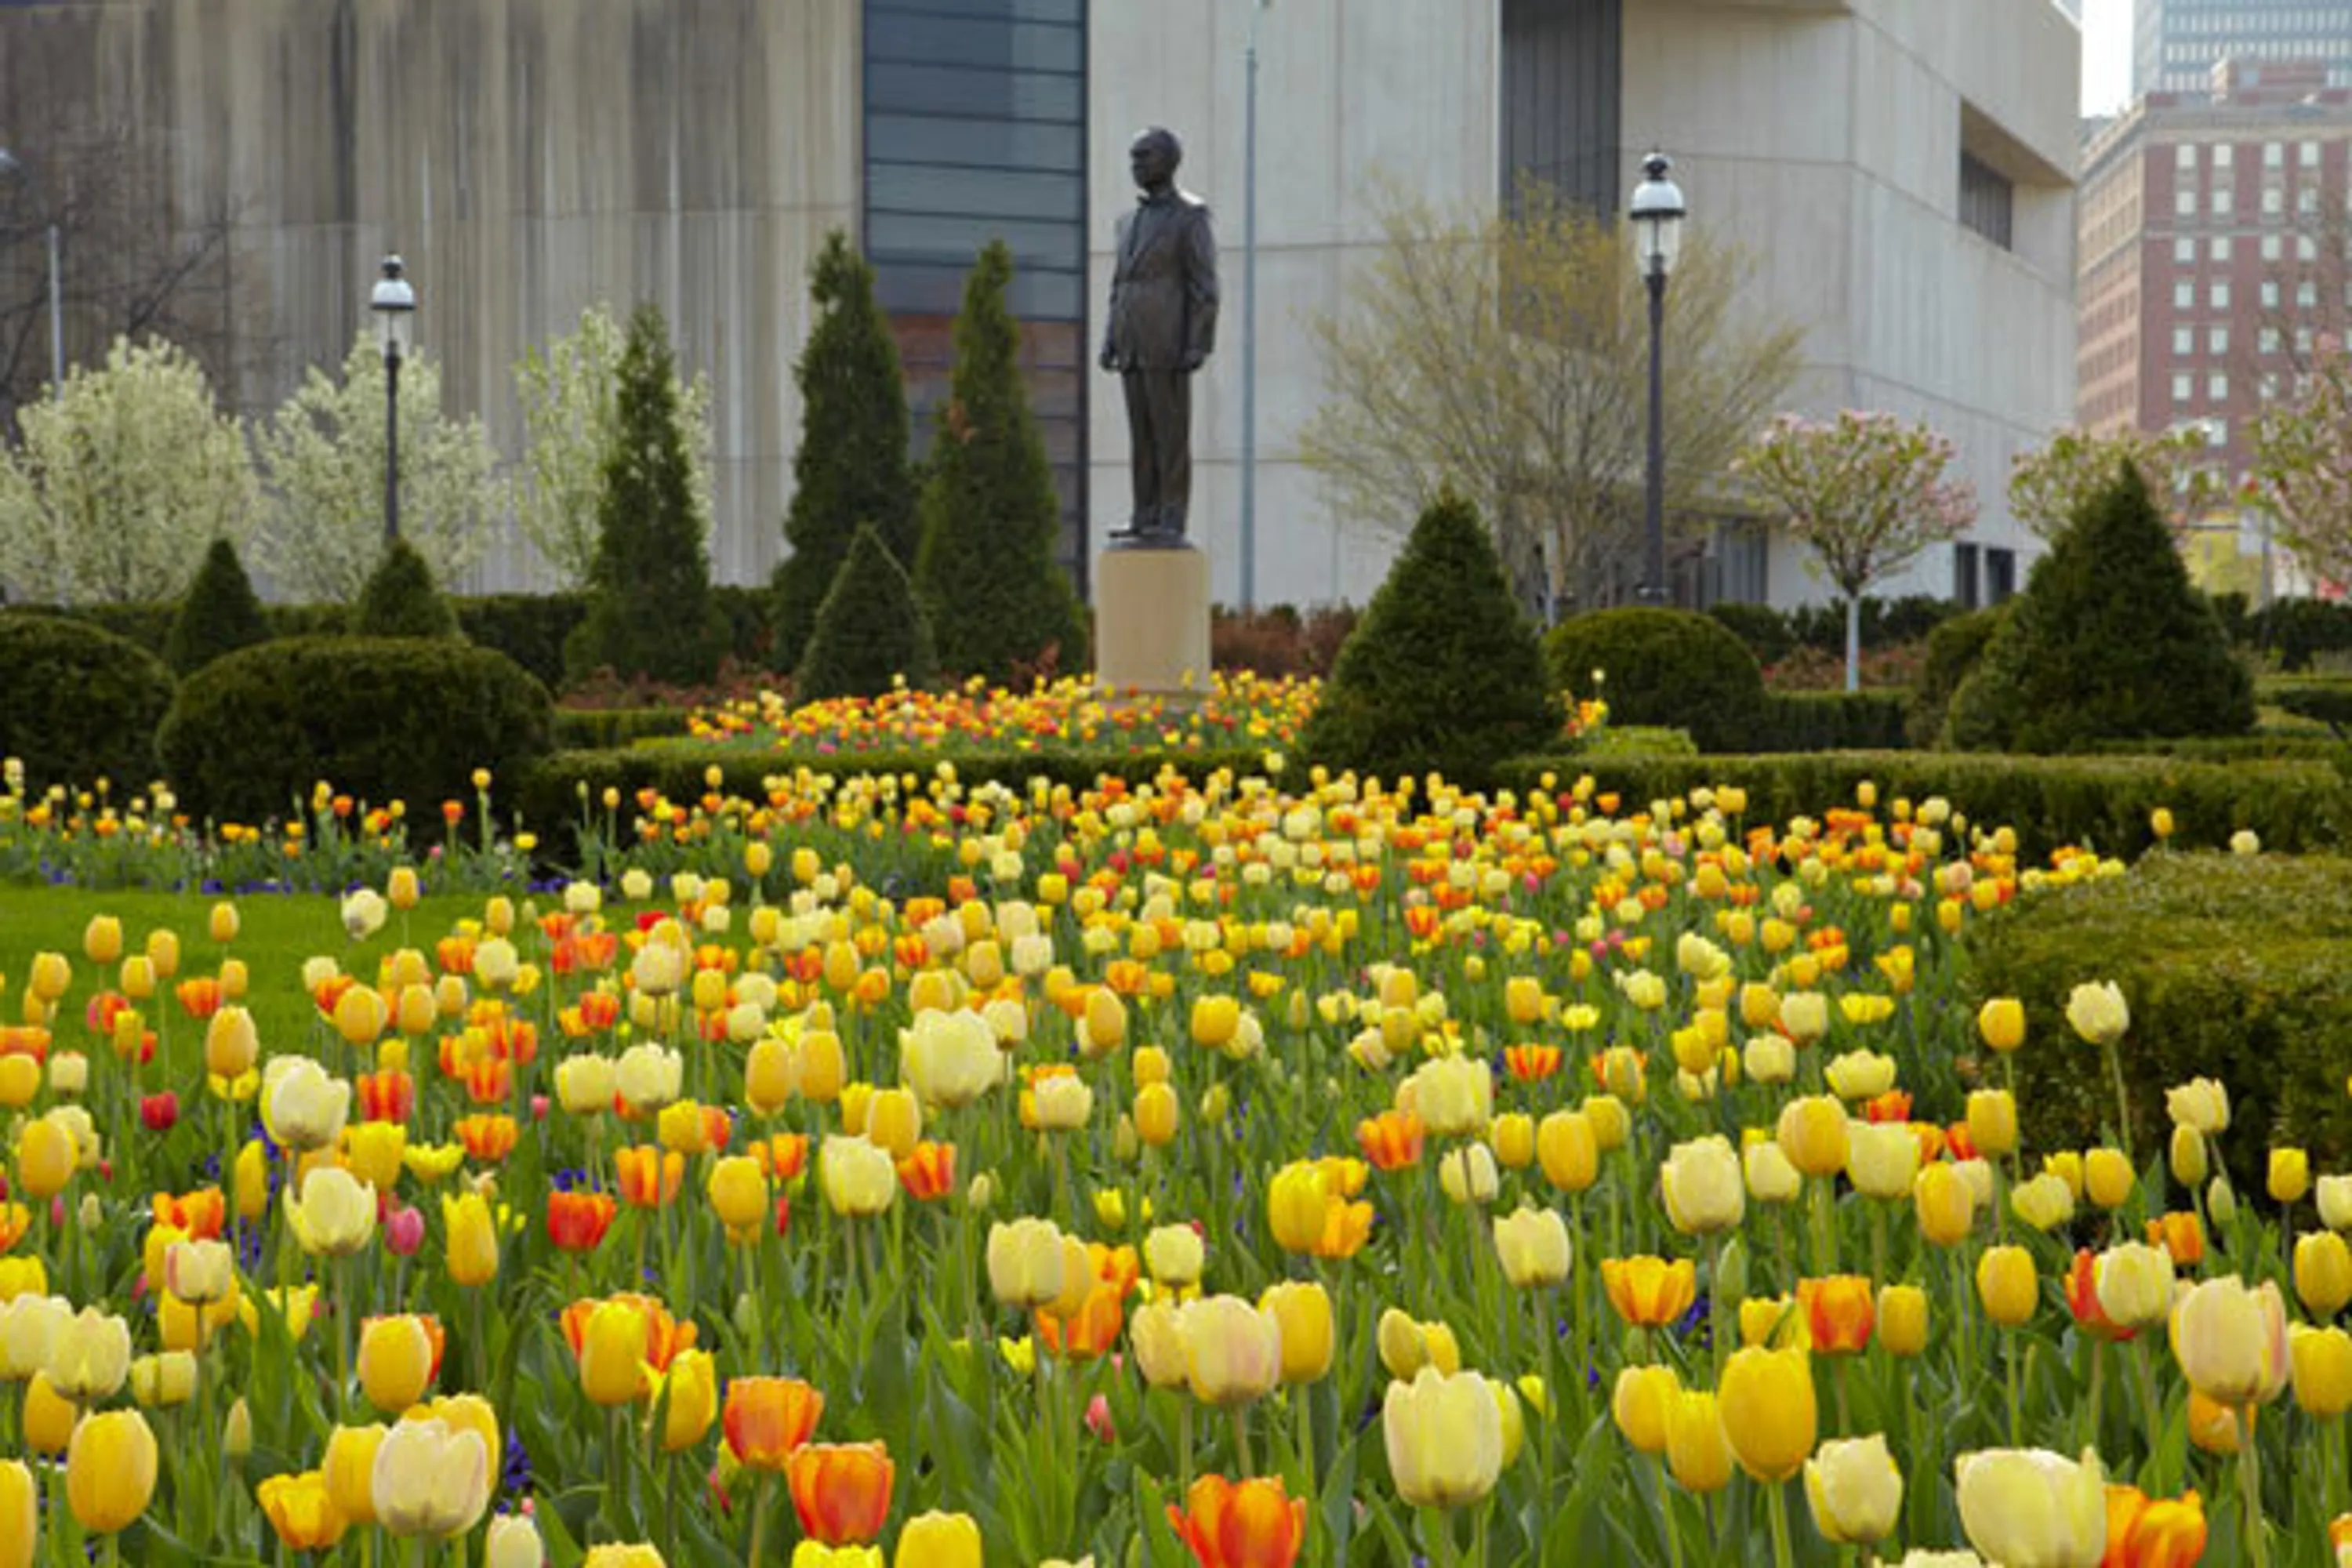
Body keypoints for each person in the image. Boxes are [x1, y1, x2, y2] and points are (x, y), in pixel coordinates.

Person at [1100, 126, 1218, 544]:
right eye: (1133, 158)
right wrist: (1110, 337)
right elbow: (1119, 283)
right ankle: (1144, 513)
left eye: (1144, 156)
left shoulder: (1190, 216)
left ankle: (1171, 516)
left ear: (1169, 161)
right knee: (1142, 436)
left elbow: (1204, 285)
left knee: (1170, 437)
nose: (1136, 166)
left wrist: (1198, 342)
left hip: (1167, 341)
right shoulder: (1127, 222)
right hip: (1131, 340)